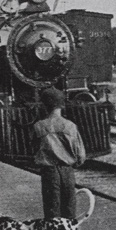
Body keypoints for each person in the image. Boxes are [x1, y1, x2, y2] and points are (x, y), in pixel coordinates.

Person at [33, 88, 87, 219]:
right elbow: (80, 156)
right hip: (68, 172)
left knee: (52, 214)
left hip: (49, 173)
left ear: (45, 106)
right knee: (69, 212)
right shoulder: (70, 126)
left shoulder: (38, 126)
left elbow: (34, 152)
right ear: (62, 105)